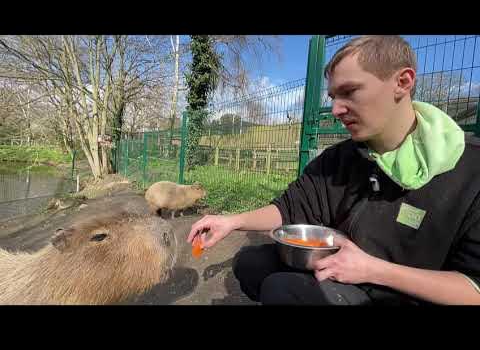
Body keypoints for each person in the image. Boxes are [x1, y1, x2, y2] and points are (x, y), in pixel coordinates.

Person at [187, 35, 480, 305]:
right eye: (333, 97)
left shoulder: (470, 171)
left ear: (403, 82)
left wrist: (374, 270)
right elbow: (291, 208)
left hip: (405, 293)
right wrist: (232, 221)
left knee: (284, 291)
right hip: (345, 276)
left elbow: (473, 288)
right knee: (252, 264)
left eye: (349, 91)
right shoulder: (341, 158)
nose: (337, 109)